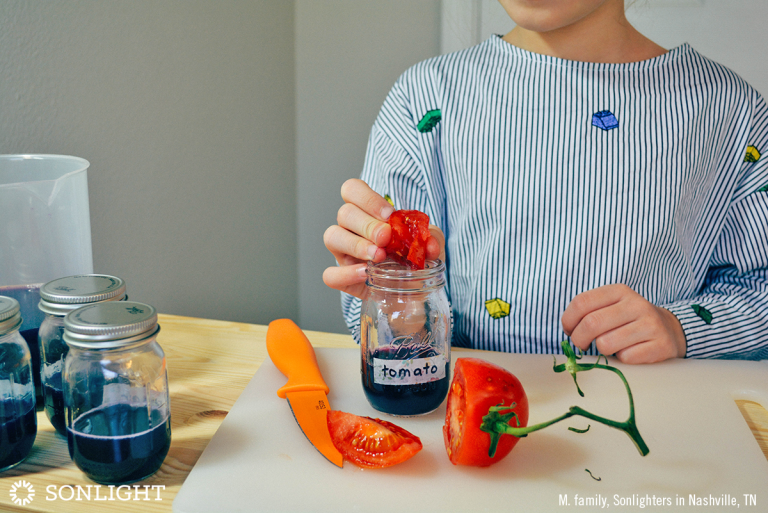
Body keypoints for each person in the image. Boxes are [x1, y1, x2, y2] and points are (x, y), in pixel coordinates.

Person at [322, 0, 768, 363]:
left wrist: (681, 329)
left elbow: (759, 288)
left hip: (646, 424)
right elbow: (384, 319)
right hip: (467, 422)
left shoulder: (730, 112)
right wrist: (399, 301)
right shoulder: (424, 99)